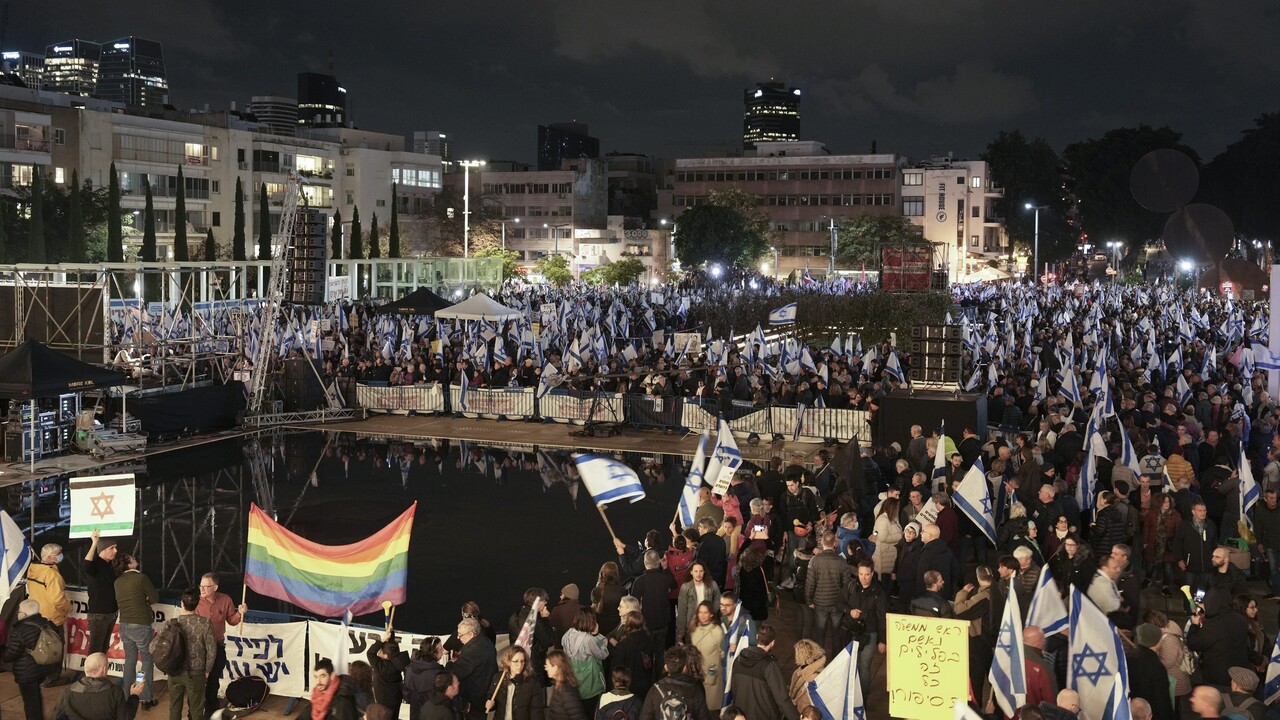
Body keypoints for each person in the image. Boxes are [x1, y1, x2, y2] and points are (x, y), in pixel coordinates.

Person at [195, 572, 248, 717]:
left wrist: (240, 613)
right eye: (201, 585)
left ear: (215, 587)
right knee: (197, 683)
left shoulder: (225, 600)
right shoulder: (195, 601)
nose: (202, 589)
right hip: (199, 649)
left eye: (206, 586)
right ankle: (194, 713)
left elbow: (231, 620)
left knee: (213, 681)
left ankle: (211, 712)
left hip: (218, 647)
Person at [161, 588, 217, 720]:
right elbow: (212, 650)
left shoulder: (171, 623)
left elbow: (153, 646)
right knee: (196, 710)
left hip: (174, 672)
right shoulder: (205, 623)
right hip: (196, 673)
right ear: (197, 604)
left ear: (182, 603)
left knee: (174, 708)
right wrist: (207, 670)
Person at [114, 553, 158, 709]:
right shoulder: (141, 578)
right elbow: (154, 597)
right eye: (132, 558)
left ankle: (128, 696)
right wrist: (145, 599)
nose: (135, 559)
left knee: (130, 660)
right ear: (129, 565)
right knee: (146, 660)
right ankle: (145, 697)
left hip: (124, 624)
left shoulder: (118, 581)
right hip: (140, 624)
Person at [727, 623, 798, 720]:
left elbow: (734, 689)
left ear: (757, 638)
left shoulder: (738, 660)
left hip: (742, 715)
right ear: (773, 642)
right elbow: (782, 699)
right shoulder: (769, 666)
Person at [4, 598, 58, 720]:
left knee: (30, 703)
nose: (18, 613)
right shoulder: (48, 624)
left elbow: (10, 655)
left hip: (27, 672)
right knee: (35, 697)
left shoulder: (20, 630)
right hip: (44, 668)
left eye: (19, 611)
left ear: (24, 614)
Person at [28, 542, 72, 686]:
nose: (60, 556)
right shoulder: (52, 575)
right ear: (51, 557)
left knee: (40, 647)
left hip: (37, 614)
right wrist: (68, 607)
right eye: (58, 554)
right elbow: (58, 600)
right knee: (55, 648)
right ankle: (53, 678)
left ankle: (39, 675)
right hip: (53, 616)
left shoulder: (33, 569)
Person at [1186, 589, 1251, 687]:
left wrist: (1194, 625)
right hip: (1239, 675)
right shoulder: (1241, 619)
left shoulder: (1213, 625)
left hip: (1218, 677)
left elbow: (1194, 643)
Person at [52, 651, 143, 720]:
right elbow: (126, 718)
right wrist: (134, 696)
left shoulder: (67, 692)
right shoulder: (115, 692)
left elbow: (56, 716)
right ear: (104, 669)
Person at [843, 561, 886, 697]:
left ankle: (862, 698)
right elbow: (839, 602)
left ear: (872, 573)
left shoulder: (879, 593)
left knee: (864, 666)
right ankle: (851, 694)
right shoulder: (851, 585)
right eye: (861, 574)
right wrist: (849, 611)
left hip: (869, 634)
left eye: (867, 574)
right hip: (851, 631)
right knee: (851, 664)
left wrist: (882, 640)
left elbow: (881, 618)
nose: (863, 577)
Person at [639, 645, 711, 720]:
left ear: (666, 667)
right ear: (684, 668)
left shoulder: (655, 690)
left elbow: (645, 717)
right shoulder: (695, 690)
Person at [562, 608, 609, 716]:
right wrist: (596, 635)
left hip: (573, 684)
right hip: (590, 686)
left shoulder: (567, 635)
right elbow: (603, 654)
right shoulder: (588, 640)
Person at [448, 617, 497, 720]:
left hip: (473, 703)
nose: (458, 637)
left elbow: (453, 677)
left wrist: (450, 665)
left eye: (460, 635)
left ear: (471, 634)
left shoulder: (470, 653)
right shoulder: (487, 642)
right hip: (486, 697)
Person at [630, 550, 678, 654]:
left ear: (645, 563)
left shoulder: (640, 581)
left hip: (646, 624)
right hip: (663, 622)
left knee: (647, 654)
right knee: (660, 653)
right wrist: (665, 568)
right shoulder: (664, 578)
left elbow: (634, 604)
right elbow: (674, 585)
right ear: (658, 563)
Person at [82, 530, 120, 657]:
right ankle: (91, 675)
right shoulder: (95, 564)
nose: (115, 551)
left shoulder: (110, 566)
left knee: (103, 647)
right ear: (102, 550)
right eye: (112, 548)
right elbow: (86, 565)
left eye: (115, 547)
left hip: (111, 612)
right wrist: (94, 543)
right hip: (99, 614)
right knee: (95, 649)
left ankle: (98, 673)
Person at [1126, 624, 1176, 720]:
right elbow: (1162, 700)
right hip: (1149, 714)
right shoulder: (1157, 667)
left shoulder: (1127, 656)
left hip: (1130, 710)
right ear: (1156, 641)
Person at [484, 646, 545, 720]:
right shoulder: (498, 678)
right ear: (508, 662)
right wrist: (490, 704)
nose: (519, 665)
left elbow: (537, 711)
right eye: (516, 661)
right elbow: (491, 696)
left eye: (522, 661)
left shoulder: (532, 683)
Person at [608, 611, 655, 700]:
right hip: (645, 685)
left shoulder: (624, 645)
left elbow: (616, 668)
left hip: (627, 688)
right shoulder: (649, 640)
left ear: (628, 625)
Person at [688, 601, 724, 712]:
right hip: (696, 672)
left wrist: (713, 668)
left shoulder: (717, 631)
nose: (702, 615)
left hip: (711, 673)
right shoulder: (694, 629)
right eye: (700, 612)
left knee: (710, 707)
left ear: (711, 614)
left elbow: (722, 653)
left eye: (705, 612)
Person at [676, 562, 721, 644]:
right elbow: (682, 610)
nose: (698, 574)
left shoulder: (712, 584)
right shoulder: (686, 587)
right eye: (696, 571)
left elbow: (718, 598)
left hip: (708, 622)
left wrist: (711, 612)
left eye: (701, 571)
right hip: (692, 624)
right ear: (691, 572)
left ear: (704, 572)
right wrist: (681, 631)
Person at [367, 629, 411, 709]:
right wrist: (390, 633)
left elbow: (370, 653)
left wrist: (382, 640)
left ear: (386, 656)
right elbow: (391, 647)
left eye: (381, 652)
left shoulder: (381, 667)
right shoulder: (401, 662)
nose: (379, 652)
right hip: (396, 699)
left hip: (383, 701)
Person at [403, 637, 446, 720]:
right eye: (441, 648)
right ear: (433, 651)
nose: (443, 651)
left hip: (414, 714)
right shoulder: (438, 673)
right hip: (433, 714)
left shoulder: (409, 668)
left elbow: (406, 693)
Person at [545, 650, 587, 720]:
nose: (546, 668)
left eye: (548, 665)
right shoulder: (558, 686)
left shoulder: (567, 692)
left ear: (557, 667)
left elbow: (578, 716)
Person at [788, 640, 826, 714]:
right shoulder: (807, 668)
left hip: (804, 710)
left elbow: (805, 692)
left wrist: (795, 700)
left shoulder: (813, 675)